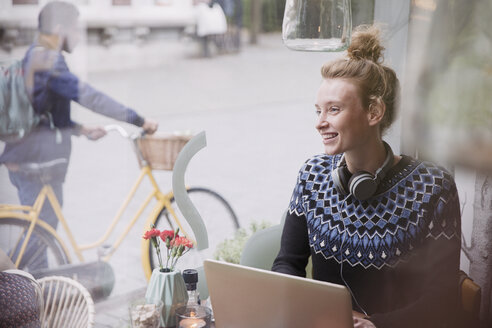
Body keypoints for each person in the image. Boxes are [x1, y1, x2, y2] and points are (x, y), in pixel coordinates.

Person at [272, 25, 462, 328]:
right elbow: (287, 263)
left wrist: (377, 325)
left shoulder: (433, 188)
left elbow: (442, 299)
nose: (320, 123)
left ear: (373, 112)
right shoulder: (312, 175)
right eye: (318, 110)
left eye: (333, 109)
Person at [0, 1, 158, 270]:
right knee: (40, 236)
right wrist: (139, 119)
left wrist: (80, 129)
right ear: (60, 29)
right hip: (36, 162)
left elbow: (41, 111)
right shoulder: (48, 59)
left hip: (30, 157)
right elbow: (90, 97)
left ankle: (28, 290)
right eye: (75, 30)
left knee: (37, 235)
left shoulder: (35, 54)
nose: (78, 36)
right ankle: (27, 294)